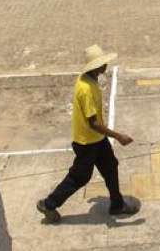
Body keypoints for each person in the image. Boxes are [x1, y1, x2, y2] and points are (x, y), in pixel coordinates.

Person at [37, 45, 140, 223]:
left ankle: (117, 204)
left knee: (110, 167)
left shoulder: (89, 80)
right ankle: (49, 204)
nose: (105, 65)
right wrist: (118, 136)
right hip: (86, 142)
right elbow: (93, 124)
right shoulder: (86, 89)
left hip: (96, 140)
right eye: (102, 63)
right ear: (95, 67)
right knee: (80, 177)